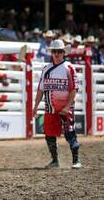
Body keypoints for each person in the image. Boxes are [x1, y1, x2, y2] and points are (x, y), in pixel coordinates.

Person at [32, 39, 81, 169]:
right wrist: (36, 106)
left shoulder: (69, 68)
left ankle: (76, 160)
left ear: (63, 52)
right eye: (54, 51)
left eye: (59, 51)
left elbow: (74, 89)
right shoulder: (46, 69)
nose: (57, 54)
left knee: (70, 132)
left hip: (65, 107)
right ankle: (55, 160)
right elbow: (41, 89)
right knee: (49, 134)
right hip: (50, 107)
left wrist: (68, 106)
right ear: (51, 53)